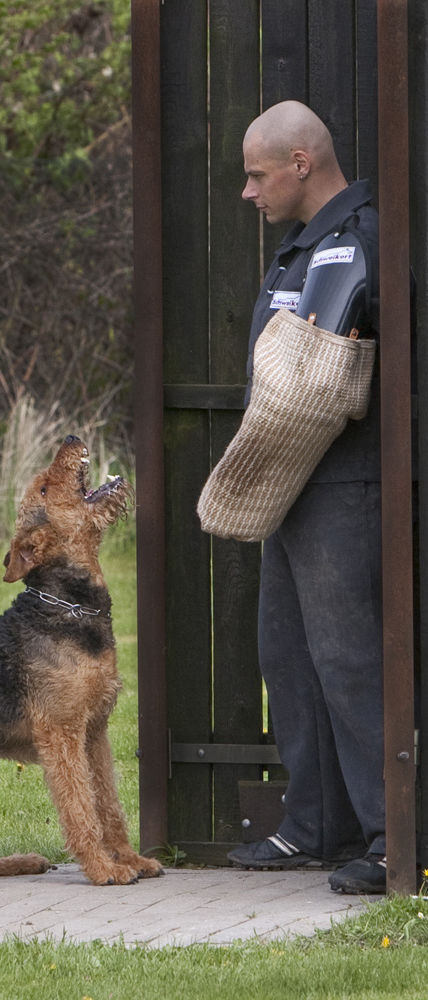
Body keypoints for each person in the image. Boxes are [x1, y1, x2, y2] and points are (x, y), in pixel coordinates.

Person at [225, 101, 386, 894]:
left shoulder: (351, 242)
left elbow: (319, 386)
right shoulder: (301, 249)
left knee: (350, 661)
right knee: (286, 656)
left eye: (256, 175)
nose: (247, 192)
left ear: (299, 163)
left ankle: (394, 839)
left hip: (339, 486)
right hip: (292, 487)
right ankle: (314, 826)